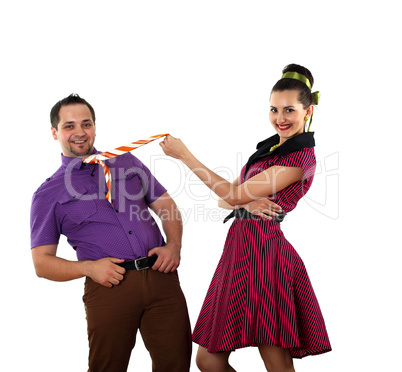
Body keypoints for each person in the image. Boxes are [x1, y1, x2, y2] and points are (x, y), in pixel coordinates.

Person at [160, 64, 331, 372]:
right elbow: (224, 198)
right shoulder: (268, 152)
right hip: (238, 254)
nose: (280, 118)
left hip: (267, 256)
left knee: (275, 360)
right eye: (274, 109)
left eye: (289, 110)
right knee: (208, 360)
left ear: (308, 110)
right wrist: (246, 204)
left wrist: (185, 155)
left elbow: (233, 194)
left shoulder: (300, 158)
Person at [30, 94, 192, 372]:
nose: (79, 133)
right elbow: (42, 263)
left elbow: (166, 204)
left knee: (176, 365)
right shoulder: (48, 194)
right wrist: (90, 268)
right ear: (54, 132)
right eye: (69, 126)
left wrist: (174, 245)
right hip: (109, 287)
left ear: (95, 126)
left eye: (86, 124)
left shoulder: (126, 161)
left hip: (162, 279)